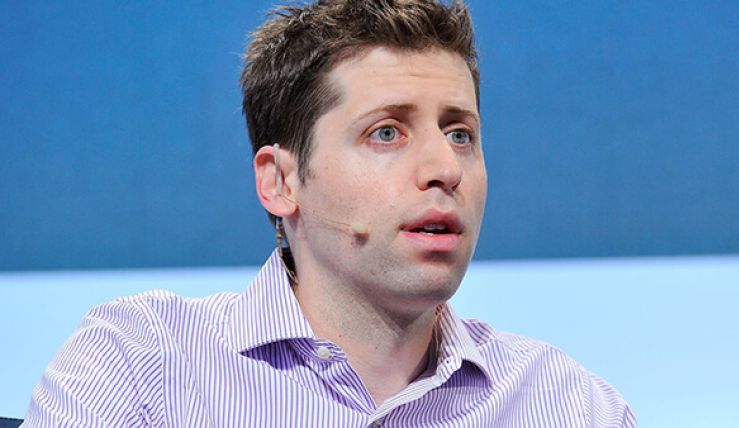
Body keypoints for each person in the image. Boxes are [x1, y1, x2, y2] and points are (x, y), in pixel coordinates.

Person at [23, 1, 636, 426]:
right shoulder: (144, 367)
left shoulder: (568, 405)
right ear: (281, 181)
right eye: (387, 132)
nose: (444, 168)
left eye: (460, 135)